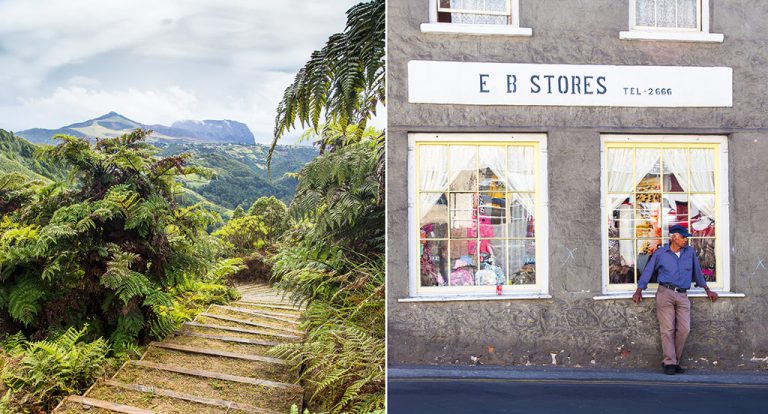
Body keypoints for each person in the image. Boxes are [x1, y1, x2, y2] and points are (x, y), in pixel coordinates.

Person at [632, 224, 718, 375]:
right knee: (668, 330)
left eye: (686, 237)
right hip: (665, 293)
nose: (686, 240)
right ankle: (670, 362)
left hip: (683, 295)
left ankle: (673, 360)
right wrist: (639, 291)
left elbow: (697, 272)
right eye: (683, 237)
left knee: (685, 329)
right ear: (674, 237)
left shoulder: (690, 252)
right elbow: (648, 271)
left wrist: (707, 289)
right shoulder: (660, 253)